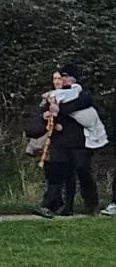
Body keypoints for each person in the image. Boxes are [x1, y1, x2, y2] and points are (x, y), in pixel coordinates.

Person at [35, 63, 102, 218]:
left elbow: (78, 106)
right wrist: (46, 115)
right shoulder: (54, 95)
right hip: (60, 140)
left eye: (64, 76)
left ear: (72, 78)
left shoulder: (83, 94)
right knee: (57, 172)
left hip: (80, 142)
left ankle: (91, 205)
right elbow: (46, 111)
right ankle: (49, 205)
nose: (62, 80)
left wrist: (60, 110)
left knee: (83, 170)